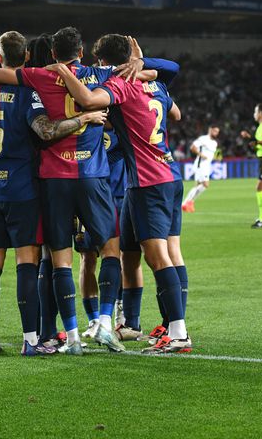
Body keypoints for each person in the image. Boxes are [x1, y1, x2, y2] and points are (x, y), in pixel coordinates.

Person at [49, 34, 191, 354]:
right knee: (129, 251)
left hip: (148, 181)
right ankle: (137, 324)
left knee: (158, 257)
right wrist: (144, 62)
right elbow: (173, 87)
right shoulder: (156, 84)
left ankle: (179, 332)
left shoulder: (121, 85)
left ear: (102, 63)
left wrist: (64, 72)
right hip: (164, 176)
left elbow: (89, 100)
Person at [0, 31, 107, 356]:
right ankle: (31, 340)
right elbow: (46, 130)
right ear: (28, 58)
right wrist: (82, 119)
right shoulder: (28, 93)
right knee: (26, 262)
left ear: (0, 57)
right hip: (22, 189)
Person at [181, 125, 219, 212]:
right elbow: (192, 147)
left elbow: (210, 155)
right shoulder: (203, 139)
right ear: (210, 129)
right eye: (215, 131)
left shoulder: (215, 143)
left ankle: (189, 203)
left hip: (206, 165)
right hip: (201, 165)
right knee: (205, 184)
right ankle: (186, 203)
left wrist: (215, 158)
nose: (216, 133)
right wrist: (202, 155)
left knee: (198, 185)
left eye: (217, 132)